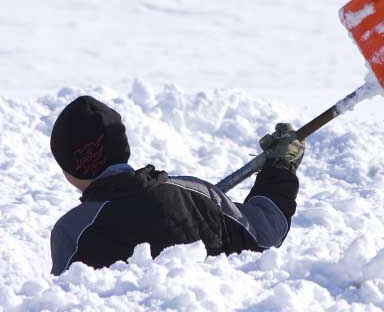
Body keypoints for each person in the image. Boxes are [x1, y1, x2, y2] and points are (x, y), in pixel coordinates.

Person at [49, 95, 304, 276]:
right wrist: (282, 165)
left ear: (68, 169)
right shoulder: (197, 195)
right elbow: (267, 231)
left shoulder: (72, 231)